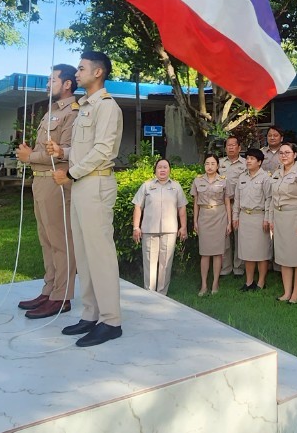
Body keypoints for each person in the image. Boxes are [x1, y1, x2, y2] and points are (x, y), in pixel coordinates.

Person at [57, 50, 125, 347]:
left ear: (98, 72)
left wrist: (70, 173)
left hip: (95, 184)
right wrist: (63, 154)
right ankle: (90, 314)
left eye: (82, 68)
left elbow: (103, 152)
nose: (77, 73)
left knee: (100, 255)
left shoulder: (107, 107)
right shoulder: (85, 107)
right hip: (82, 183)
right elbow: (85, 151)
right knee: (83, 255)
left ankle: (111, 321)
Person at [18, 63, 77, 320]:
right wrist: (33, 156)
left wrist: (31, 156)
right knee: (46, 241)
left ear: (67, 84)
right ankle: (49, 289)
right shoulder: (51, 111)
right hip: (40, 181)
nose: (47, 85)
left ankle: (62, 296)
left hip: (56, 182)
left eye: (52, 80)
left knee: (60, 241)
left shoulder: (73, 113)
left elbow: (65, 151)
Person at [132, 159, 188, 295]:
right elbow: (138, 207)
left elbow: (182, 208)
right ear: (155, 170)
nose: (162, 170)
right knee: (150, 262)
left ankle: (162, 294)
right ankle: (149, 293)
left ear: (169, 170)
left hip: (169, 231)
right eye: (159, 167)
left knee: (165, 264)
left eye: (165, 167)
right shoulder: (146, 186)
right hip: (149, 230)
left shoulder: (176, 187)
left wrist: (183, 227)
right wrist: (136, 227)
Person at [270, 142, 297, 303]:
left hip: (296, 218)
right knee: (284, 257)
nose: (284, 155)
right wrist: (271, 219)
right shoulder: (276, 173)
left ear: (295, 155)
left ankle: (295, 293)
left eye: (287, 152)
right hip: (281, 219)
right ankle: (286, 292)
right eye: (281, 153)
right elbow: (272, 199)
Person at [233, 148, 273, 291]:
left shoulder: (265, 178)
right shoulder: (242, 177)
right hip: (245, 217)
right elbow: (237, 199)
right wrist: (235, 217)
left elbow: (269, 199)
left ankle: (261, 282)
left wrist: (267, 219)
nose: (248, 161)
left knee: (261, 252)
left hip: (259, 217)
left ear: (259, 162)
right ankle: (249, 282)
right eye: (247, 158)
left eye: (252, 159)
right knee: (247, 252)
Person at [192, 154, 231, 296]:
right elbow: (196, 203)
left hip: (219, 216)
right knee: (205, 253)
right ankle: (204, 285)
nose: (210, 166)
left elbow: (227, 202)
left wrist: (229, 222)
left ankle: (215, 283)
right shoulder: (197, 180)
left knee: (218, 253)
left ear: (218, 166)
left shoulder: (224, 181)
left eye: (213, 163)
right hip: (204, 216)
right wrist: (195, 221)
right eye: (207, 163)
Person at [218, 135, 247, 277]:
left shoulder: (245, 164)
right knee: (224, 236)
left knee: (239, 236)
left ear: (239, 148)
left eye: (233, 145)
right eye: (228, 145)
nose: (230, 147)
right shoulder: (219, 163)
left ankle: (239, 267)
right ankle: (225, 267)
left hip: (238, 204)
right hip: (223, 204)